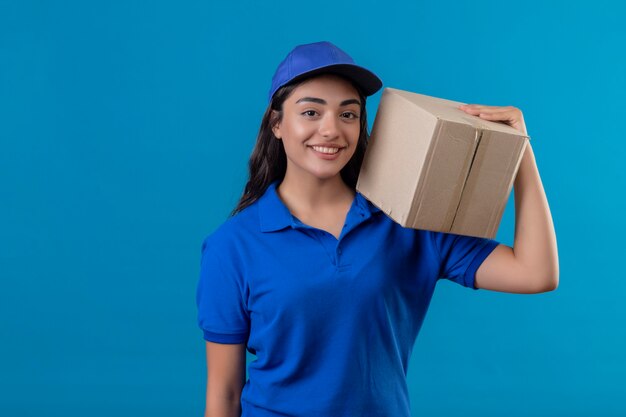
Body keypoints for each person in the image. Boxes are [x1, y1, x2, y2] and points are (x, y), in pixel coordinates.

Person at [195, 41, 559, 417]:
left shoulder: (408, 221)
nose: (331, 129)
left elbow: (536, 273)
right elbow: (224, 395)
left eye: (348, 115)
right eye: (311, 112)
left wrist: (521, 150)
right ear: (276, 124)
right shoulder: (232, 246)